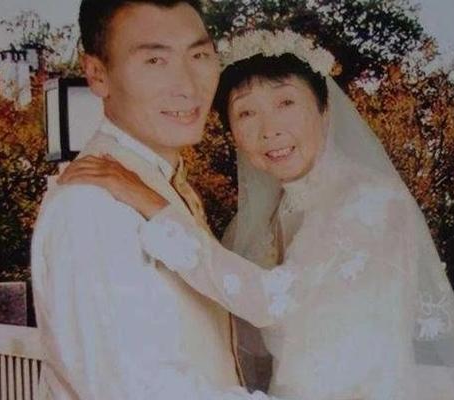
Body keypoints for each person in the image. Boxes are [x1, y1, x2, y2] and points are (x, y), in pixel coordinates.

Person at [59, 29, 454, 400]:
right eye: (246, 112)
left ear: (324, 110)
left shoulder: (369, 201)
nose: (269, 129)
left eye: (285, 103)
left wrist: (151, 204)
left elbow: (271, 302)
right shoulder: (275, 212)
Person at [31, 1, 281, 399]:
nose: (188, 85)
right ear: (97, 74)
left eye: (199, 56)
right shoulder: (93, 205)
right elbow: (137, 389)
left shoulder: (156, 182)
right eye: (155, 61)